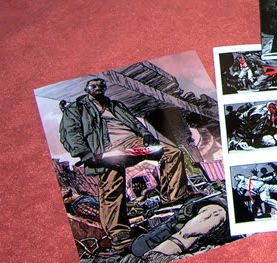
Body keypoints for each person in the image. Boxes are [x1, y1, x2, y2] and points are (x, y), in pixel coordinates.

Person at [59, 78, 192, 252]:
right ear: (86, 89)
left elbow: (134, 123)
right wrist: (84, 153)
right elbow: (71, 132)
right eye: (93, 86)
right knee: (111, 181)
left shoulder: (116, 105)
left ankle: (173, 198)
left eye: (101, 86)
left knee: (172, 152)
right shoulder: (76, 108)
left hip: (133, 141)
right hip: (105, 148)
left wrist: (146, 135)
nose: (98, 88)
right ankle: (118, 233)